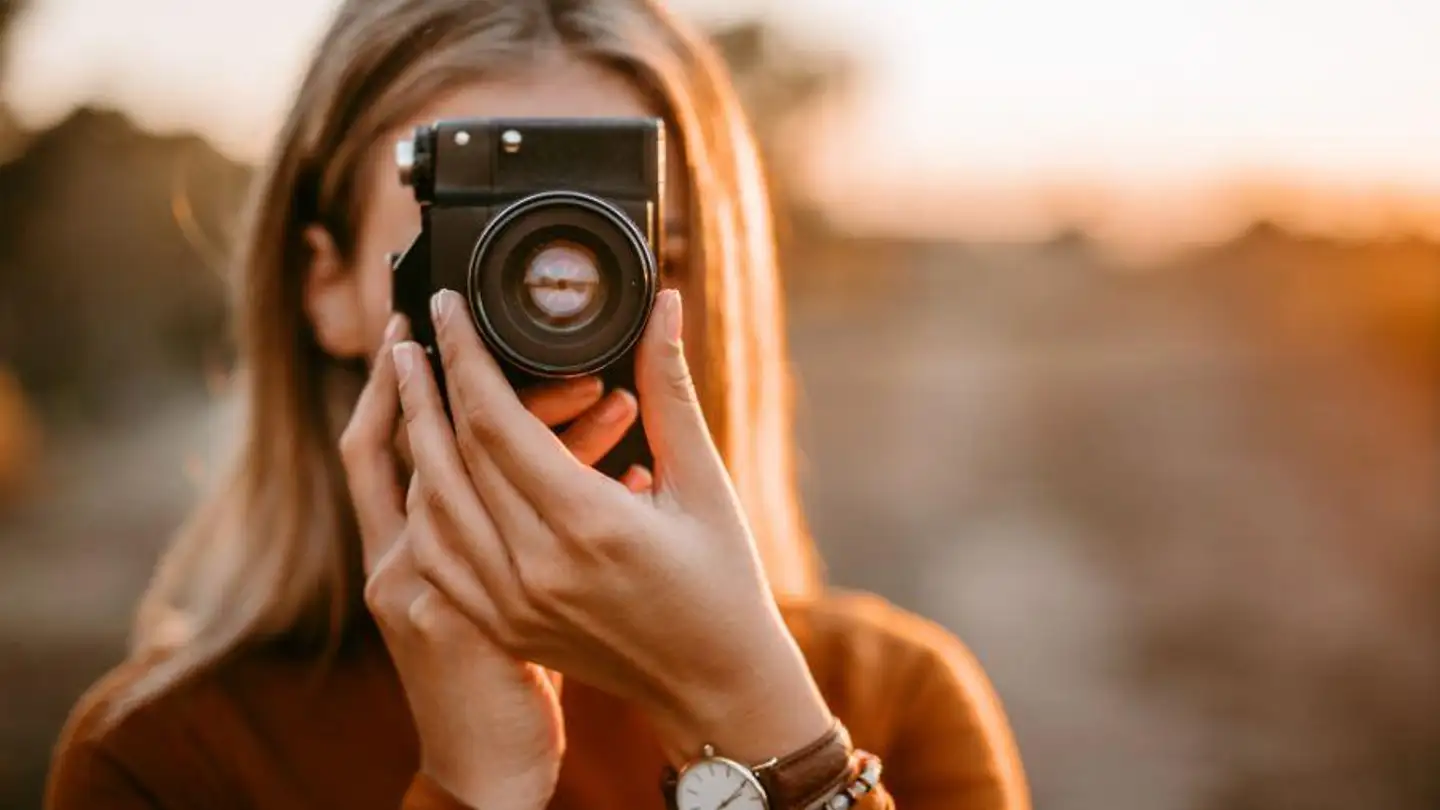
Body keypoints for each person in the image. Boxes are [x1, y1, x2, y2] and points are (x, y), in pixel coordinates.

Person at [46, 2, 1029, 808]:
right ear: (328, 288)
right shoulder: (171, 759)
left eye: (640, 261)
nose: (561, 328)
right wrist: (472, 785)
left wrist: (765, 726)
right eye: (483, 261)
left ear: (714, 288)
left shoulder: (890, 701)